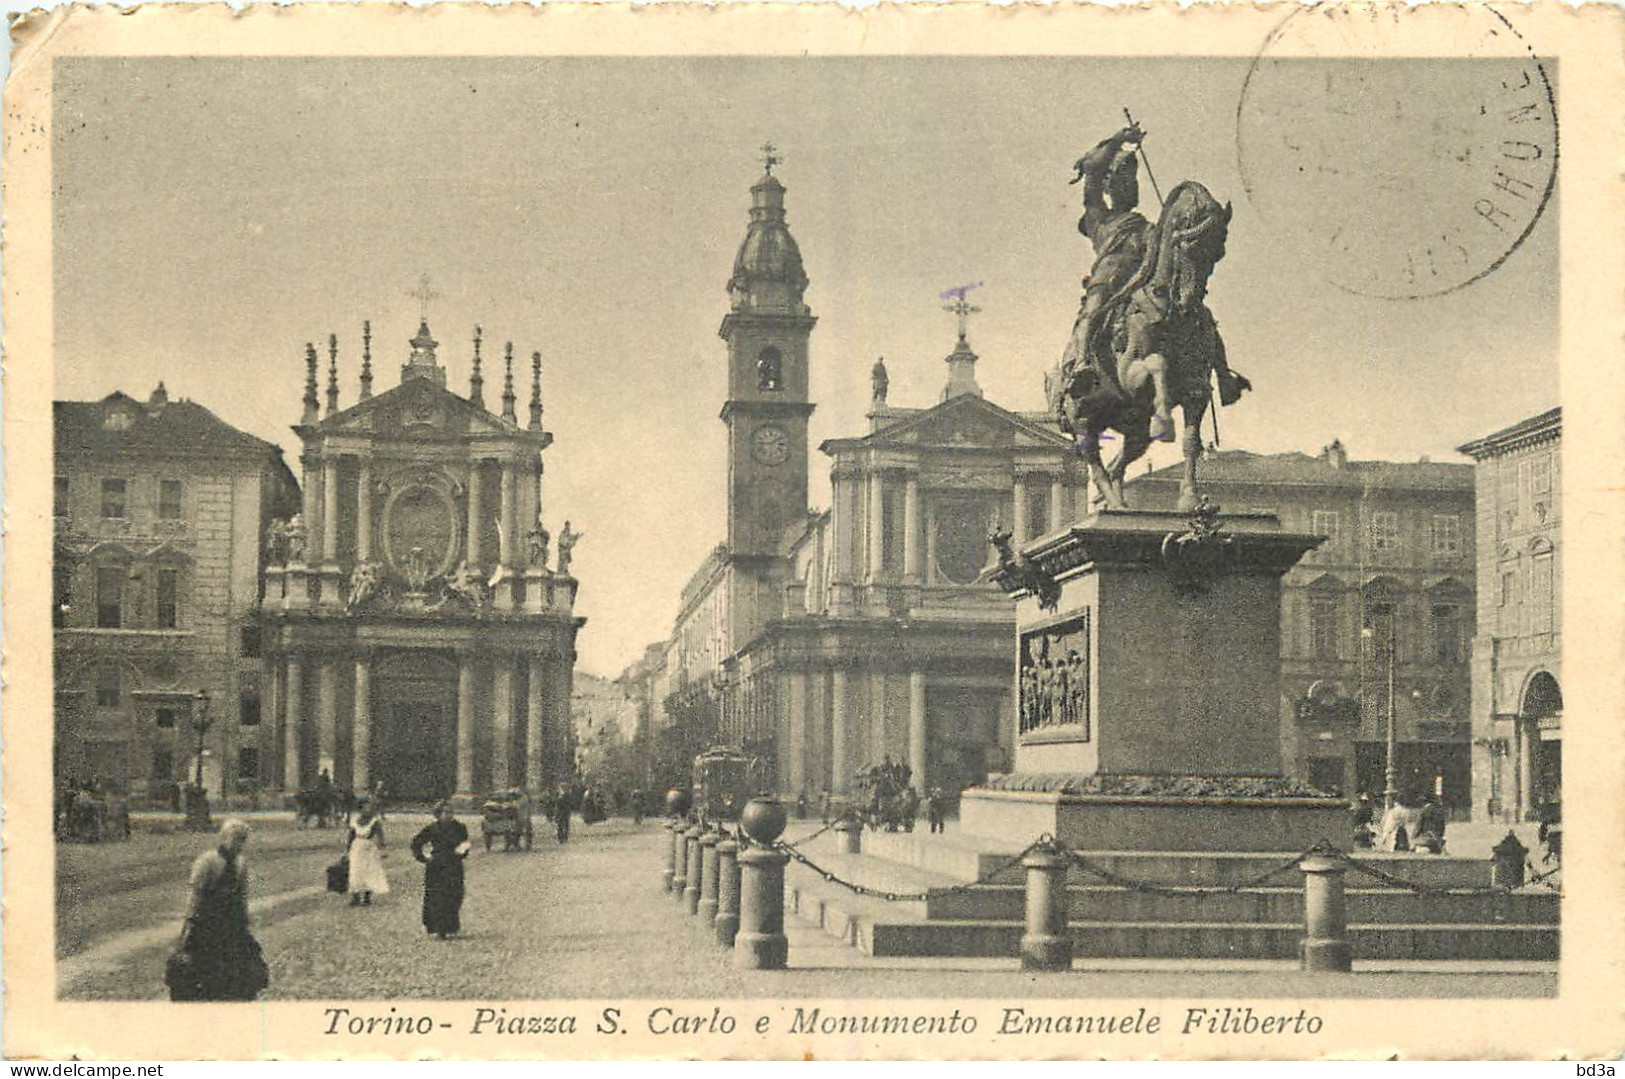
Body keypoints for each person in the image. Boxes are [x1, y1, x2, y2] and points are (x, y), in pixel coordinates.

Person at [168, 819, 267, 1001]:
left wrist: (244, 919)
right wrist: (190, 919)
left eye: (243, 840)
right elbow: (196, 893)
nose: (239, 844)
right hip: (207, 918)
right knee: (202, 957)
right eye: (236, 839)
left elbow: (242, 894)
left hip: (231, 919)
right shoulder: (207, 861)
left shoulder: (241, 864)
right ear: (224, 838)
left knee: (240, 956)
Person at [410, 802, 470, 940]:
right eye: (445, 812)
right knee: (437, 897)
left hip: (454, 866)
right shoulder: (432, 828)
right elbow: (416, 843)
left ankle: (450, 926)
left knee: (454, 895)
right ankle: (439, 928)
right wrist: (423, 858)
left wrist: (460, 854)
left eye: (451, 812)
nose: (449, 815)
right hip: (436, 866)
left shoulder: (460, 827)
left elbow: (465, 843)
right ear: (438, 814)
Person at [346, 799, 389, 906]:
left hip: (369, 849)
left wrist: (382, 848)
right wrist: (347, 851)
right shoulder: (354, 820)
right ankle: (355, 897)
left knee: (370, 872)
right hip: (356, 848)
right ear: (360, 809)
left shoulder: (375, 821)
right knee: (355, 871)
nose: (368, 810)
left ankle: (367, 897)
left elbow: (380, 836)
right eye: (365, 808)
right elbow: (351, 836)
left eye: (369, 808)